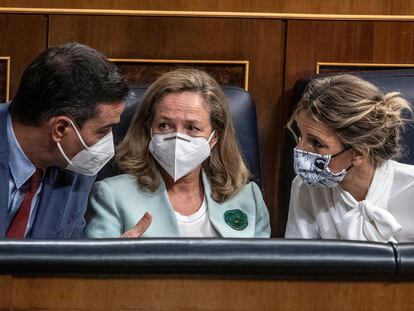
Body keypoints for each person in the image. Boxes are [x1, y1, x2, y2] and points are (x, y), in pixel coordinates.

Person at [85, 68, 270, 238]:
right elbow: (92, 270)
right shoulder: (112, 195)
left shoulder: (248, 197)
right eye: (164, 125)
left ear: (214, 137)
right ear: (150, 129)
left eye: (192, 127)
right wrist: (117, 261)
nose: (177, 137)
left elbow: (265, 270)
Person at [0, 42, 129, 239]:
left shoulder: (76, 164)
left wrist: (106, 262)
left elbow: (67, 251)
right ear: (60, 129)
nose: (108, 144)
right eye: (103, 131)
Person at [284, 74, 414, 242]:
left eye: (317, 143)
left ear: (359, 153)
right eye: (300, 136)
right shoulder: (304, 187)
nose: (299, 149)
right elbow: (298, 261)